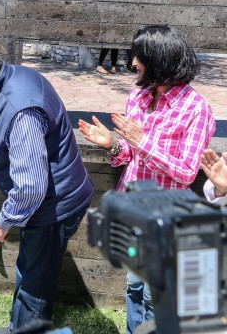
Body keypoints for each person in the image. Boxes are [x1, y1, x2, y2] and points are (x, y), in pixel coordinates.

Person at [0, 41, 94, 334]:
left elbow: (31, 186)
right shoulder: (10, 77)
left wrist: (4, 220)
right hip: (54, 197)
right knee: (31, 268)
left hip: (54, 205)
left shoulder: (20, 111)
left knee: (34, 281)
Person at [78, 25, 215, 334]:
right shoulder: (139, 95)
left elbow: (186, 172)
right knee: (134, 287)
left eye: (138, 56)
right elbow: (129, 153)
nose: (133, 63)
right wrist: (110, 143)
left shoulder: (196, 110)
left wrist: (143, 141)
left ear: (159, 60)